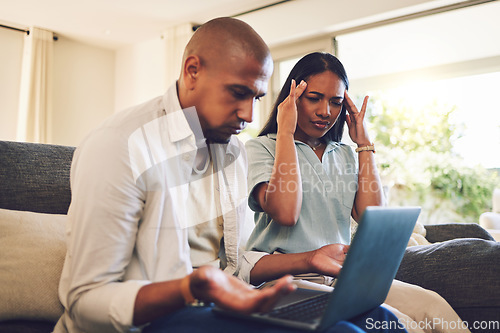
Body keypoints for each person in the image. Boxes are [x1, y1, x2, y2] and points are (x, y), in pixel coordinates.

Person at [53, 18, 405, 333]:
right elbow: (85, 300)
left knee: (383, 322)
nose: (250, 115)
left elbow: (237, 266)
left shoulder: (233, 151)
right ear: (192, 71)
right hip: (159, 318)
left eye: (257, 97)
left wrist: (304, 262)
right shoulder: (121, 145)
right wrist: (191, 288)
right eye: (239, 93)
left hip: (228, 303)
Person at [244, 52, 469, 333]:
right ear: (293, 97)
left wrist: (364, 143)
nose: (325, 111)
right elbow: (286, 212)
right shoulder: (261, 148)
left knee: (433, 306)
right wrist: (286, 133)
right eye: (314, 98)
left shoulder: (345, 154)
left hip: (344, 277)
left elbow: (370, 215)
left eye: (336, 102)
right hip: (286, 280)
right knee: (403, 323)